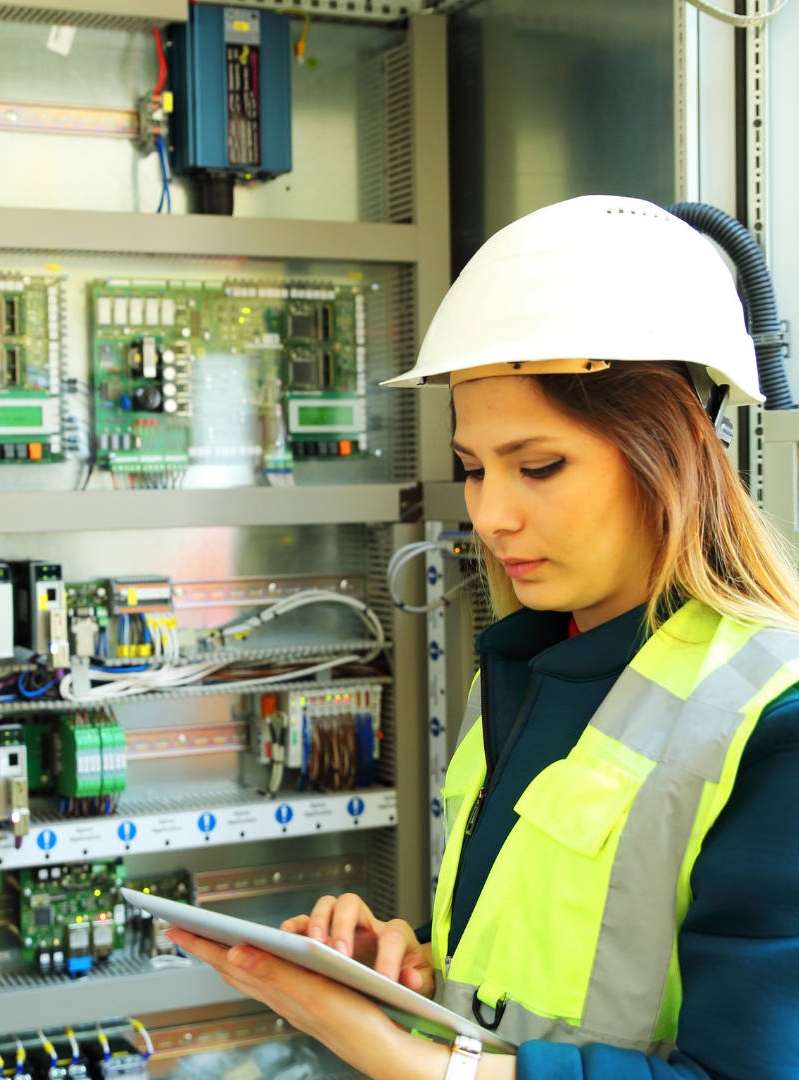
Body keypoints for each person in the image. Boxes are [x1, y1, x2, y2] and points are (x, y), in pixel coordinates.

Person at [166, 195, 799, 1080]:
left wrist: (413, 1063)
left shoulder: (772, 719)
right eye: (472, 468)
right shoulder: (524, 670)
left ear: (674, 452)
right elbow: (550, 973)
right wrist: (415, 972)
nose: (491, 515)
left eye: (539, 466)